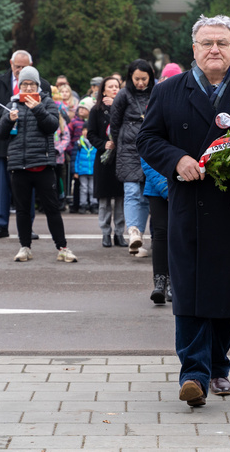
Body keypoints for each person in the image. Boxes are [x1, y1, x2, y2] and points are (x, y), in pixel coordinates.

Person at [136, 14, 230, 408]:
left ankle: (219, 366)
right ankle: (194, 374)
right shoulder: (169, 90)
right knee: (189, 291)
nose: (214, 49)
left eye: (221, 42)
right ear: (194, 49)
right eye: (207, 43)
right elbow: (148, 138)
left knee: (228, 292)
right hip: (189, 205)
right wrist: (176, 159)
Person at [0, 66, 77, 263]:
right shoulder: (12, 104)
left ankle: (62, 247)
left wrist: (36, 108)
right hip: (19, 165)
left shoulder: (47, 102)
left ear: (38, 86)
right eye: (24, 84)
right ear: (19, 86)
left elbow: (52, 125)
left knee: (52, 208)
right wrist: (7, 119)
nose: (28, 88)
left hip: (43, 164)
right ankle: (25, 247)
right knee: (22, 209)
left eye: (32, 84)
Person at [0, 50, 50, 240]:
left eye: (24, 67)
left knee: (27, 186)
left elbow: (47, 110)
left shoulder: (42, 84)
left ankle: (27, 227)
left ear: (31, 64)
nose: (19, 70)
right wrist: (10, 112)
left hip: (29, 144)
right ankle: (0, 225)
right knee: (2, 186)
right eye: (16, 66)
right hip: (2, 141)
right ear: (11, 63)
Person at [110, 59, 156, 255]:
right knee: (131, 192)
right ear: (130, 77)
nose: (140, 83)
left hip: (150, 149)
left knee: (147, 195)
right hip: (128, 150)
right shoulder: (123, 94)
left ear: (150, 78)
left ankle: (139, 236)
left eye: (144, 79)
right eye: (136, 79)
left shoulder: (156, 92)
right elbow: (114, 123)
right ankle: (133, 231)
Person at [86, 76, 125, 248]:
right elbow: (91, 134)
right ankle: (105, 233)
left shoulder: (124, 108)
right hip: (103, 160)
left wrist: (116, 107)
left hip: (121, 159)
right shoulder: (96, 110)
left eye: (117, 86)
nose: (115, 89)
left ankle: (119, 234)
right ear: (103, 90)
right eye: (111, 86)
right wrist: (103, 144)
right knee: (104, 201)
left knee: (120, 200)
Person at [142, 156, 172, 305]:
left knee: (179, 234)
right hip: (157, 187)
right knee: (161, 233)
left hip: (184, 184)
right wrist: (166, 188)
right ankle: (160, 282)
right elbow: (147, 157)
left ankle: (174, 281)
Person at [73, 126, 97, 213]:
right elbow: (75, 158)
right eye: (84, 130)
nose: (85, 132)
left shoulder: (95, 142)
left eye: (87, 130)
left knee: (92, 188)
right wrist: (75, 171)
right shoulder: (79, 143)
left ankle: (93, 204)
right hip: (82, 170)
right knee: (83, 188)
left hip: (93, 170)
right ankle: (83, 204)